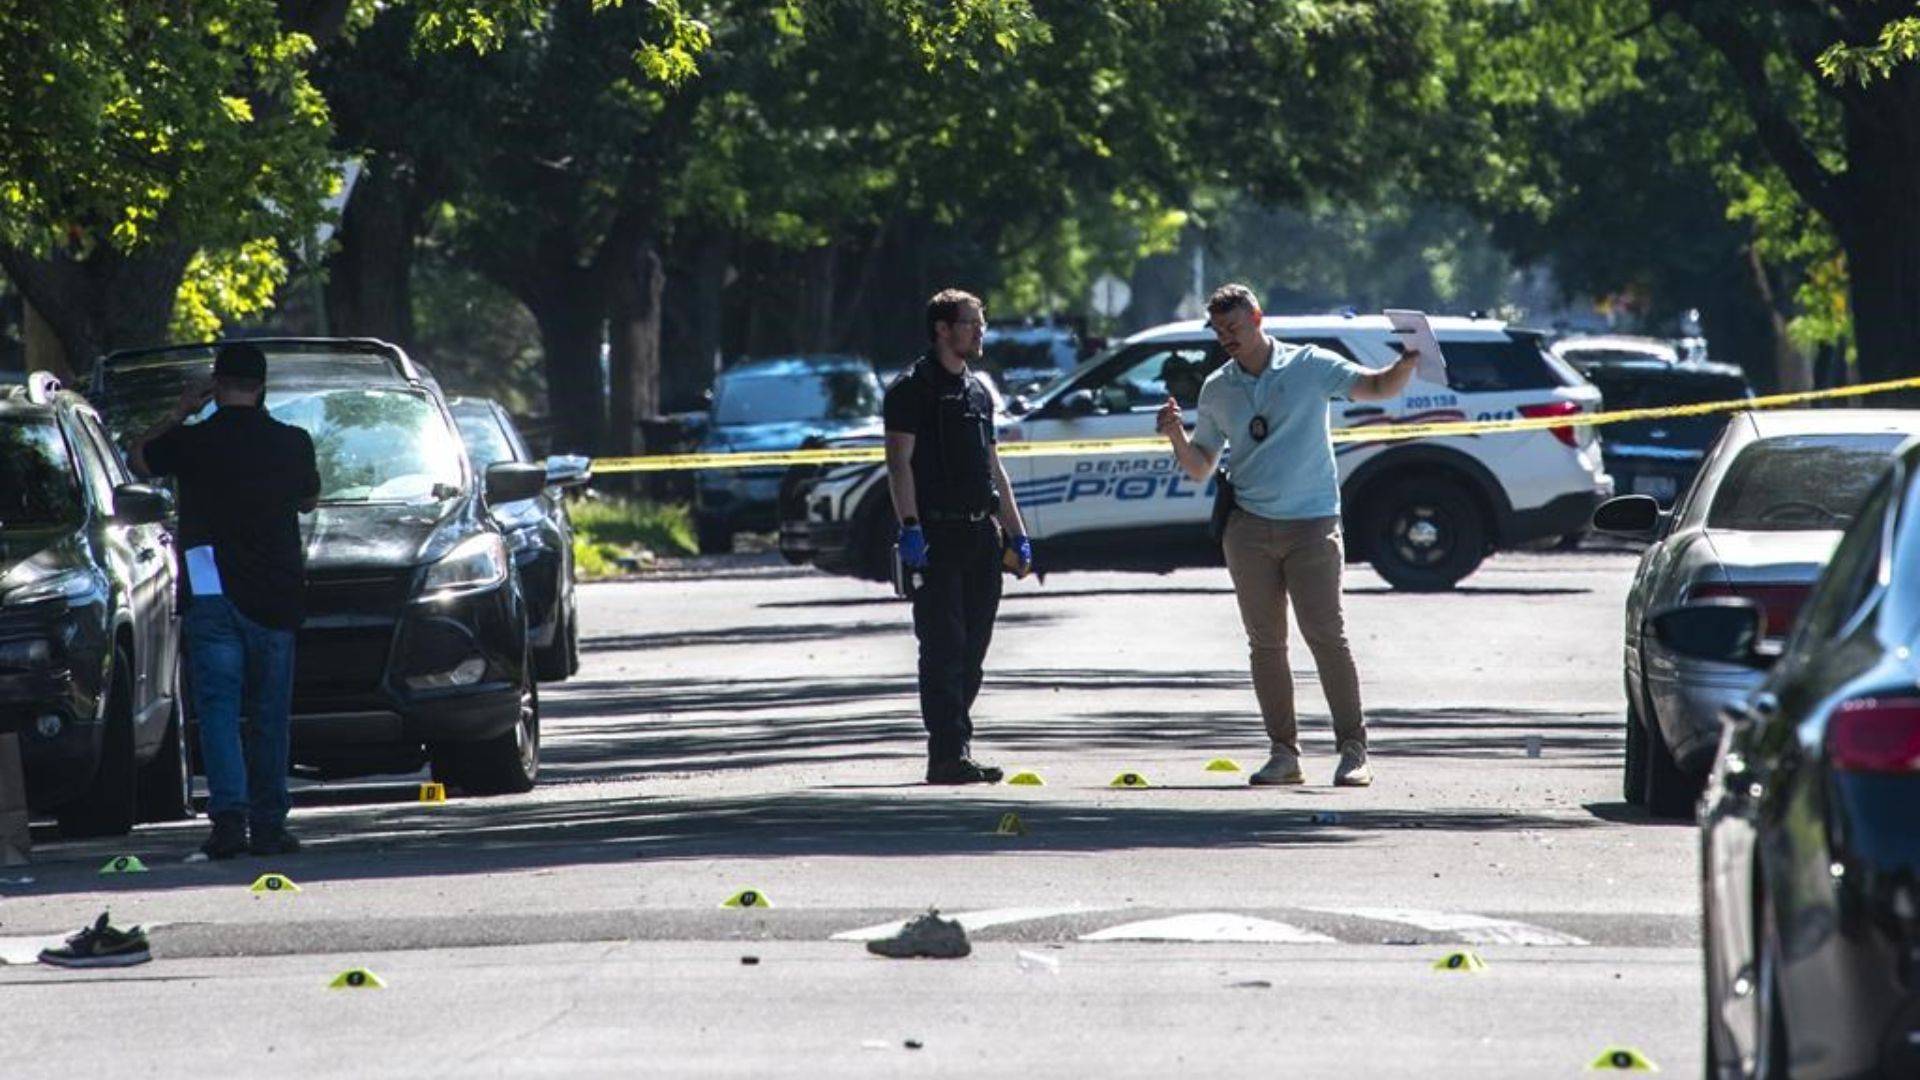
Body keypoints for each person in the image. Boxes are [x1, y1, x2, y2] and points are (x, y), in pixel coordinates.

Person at [1156, 285, 1418, 787]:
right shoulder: (1218, 387)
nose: (1226, 337)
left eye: (1234, 326)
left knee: (1326, 636)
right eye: (1218, 330)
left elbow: (1377, 388)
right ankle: (1284, 753)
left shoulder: (1310, 365)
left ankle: (1353, 749)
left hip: (1312, 522)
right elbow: (1199, 467)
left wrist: (1407, 362)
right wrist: (1175, 435)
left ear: (1258, 318)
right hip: (1248, 528)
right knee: (1266, 644)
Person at [132, 343, 320, 858]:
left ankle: (228, 821)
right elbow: (308, 498)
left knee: (217, 710)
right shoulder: (292, 442)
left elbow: (139, 459)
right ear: (262, 387)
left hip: (211, 589)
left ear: (216, 385)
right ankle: (270, 824)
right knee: (269, 714)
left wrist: (179, 412)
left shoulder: (193, 442)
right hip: (276, 594)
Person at [884, 289, 1032, 785]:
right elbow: (898, 464)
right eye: (970, 322)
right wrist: (909, 529)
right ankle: (947, 754)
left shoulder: (977, 391)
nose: (980, 331)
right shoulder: (911, 389)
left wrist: (1017, 533)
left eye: (981, 322)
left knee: (973, 650)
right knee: (944, 647)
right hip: (935, 537)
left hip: (980, 535)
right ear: (943, 329)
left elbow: (995, 467)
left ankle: (955, 742)